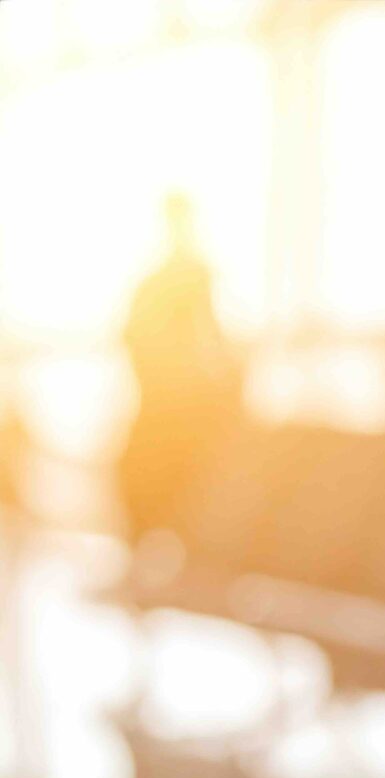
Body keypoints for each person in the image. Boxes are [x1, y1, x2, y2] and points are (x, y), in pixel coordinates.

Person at [118, 192, 241, 536]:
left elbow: (210, 333)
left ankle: (169, 548)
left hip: (182, 399)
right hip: (161, 395)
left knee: (179, 475)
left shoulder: (193, 273)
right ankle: (150, 547)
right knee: (145, 472)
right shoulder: (161, 277)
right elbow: (134, 335)